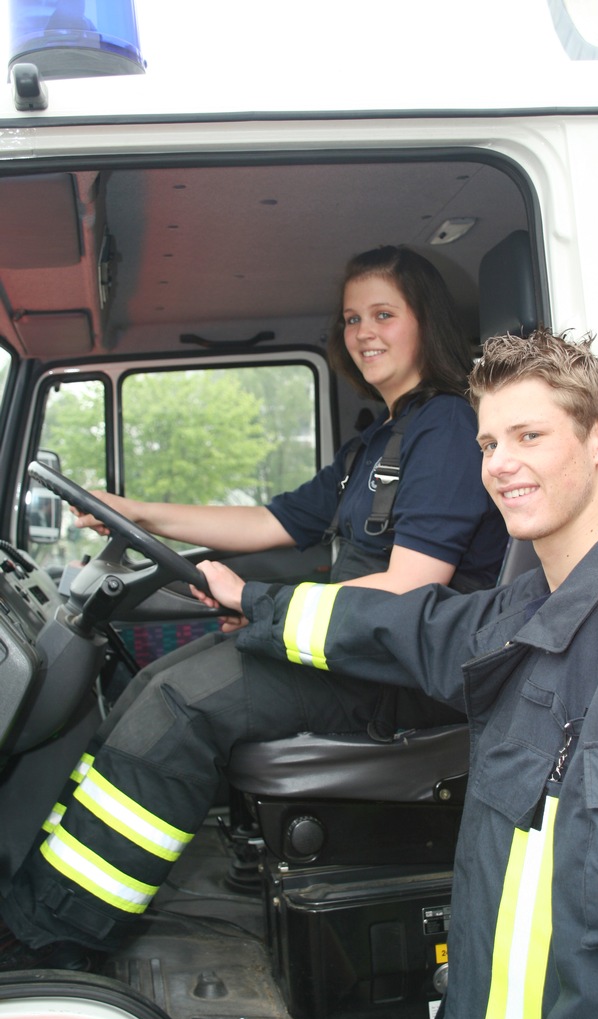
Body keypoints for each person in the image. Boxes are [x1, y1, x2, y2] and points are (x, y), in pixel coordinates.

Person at [192, 328, 598, 1019]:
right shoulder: (532, 604)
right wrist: (256, 602)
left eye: (529, 435)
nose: (501, 465)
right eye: (489, 443)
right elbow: (404, 628)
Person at [0, 245, 507, 970]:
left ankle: (56, 936)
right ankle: (50, 894)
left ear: (426, 320)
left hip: (401, 674)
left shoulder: (449, 429)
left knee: (179, 701)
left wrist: (261, 601)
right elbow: (267, 523)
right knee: (151, 680)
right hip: (354, 649)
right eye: (352, 318)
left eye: (383, 315)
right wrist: (128, 509)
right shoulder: (379, 439)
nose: (364, 332)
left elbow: (410, 591)